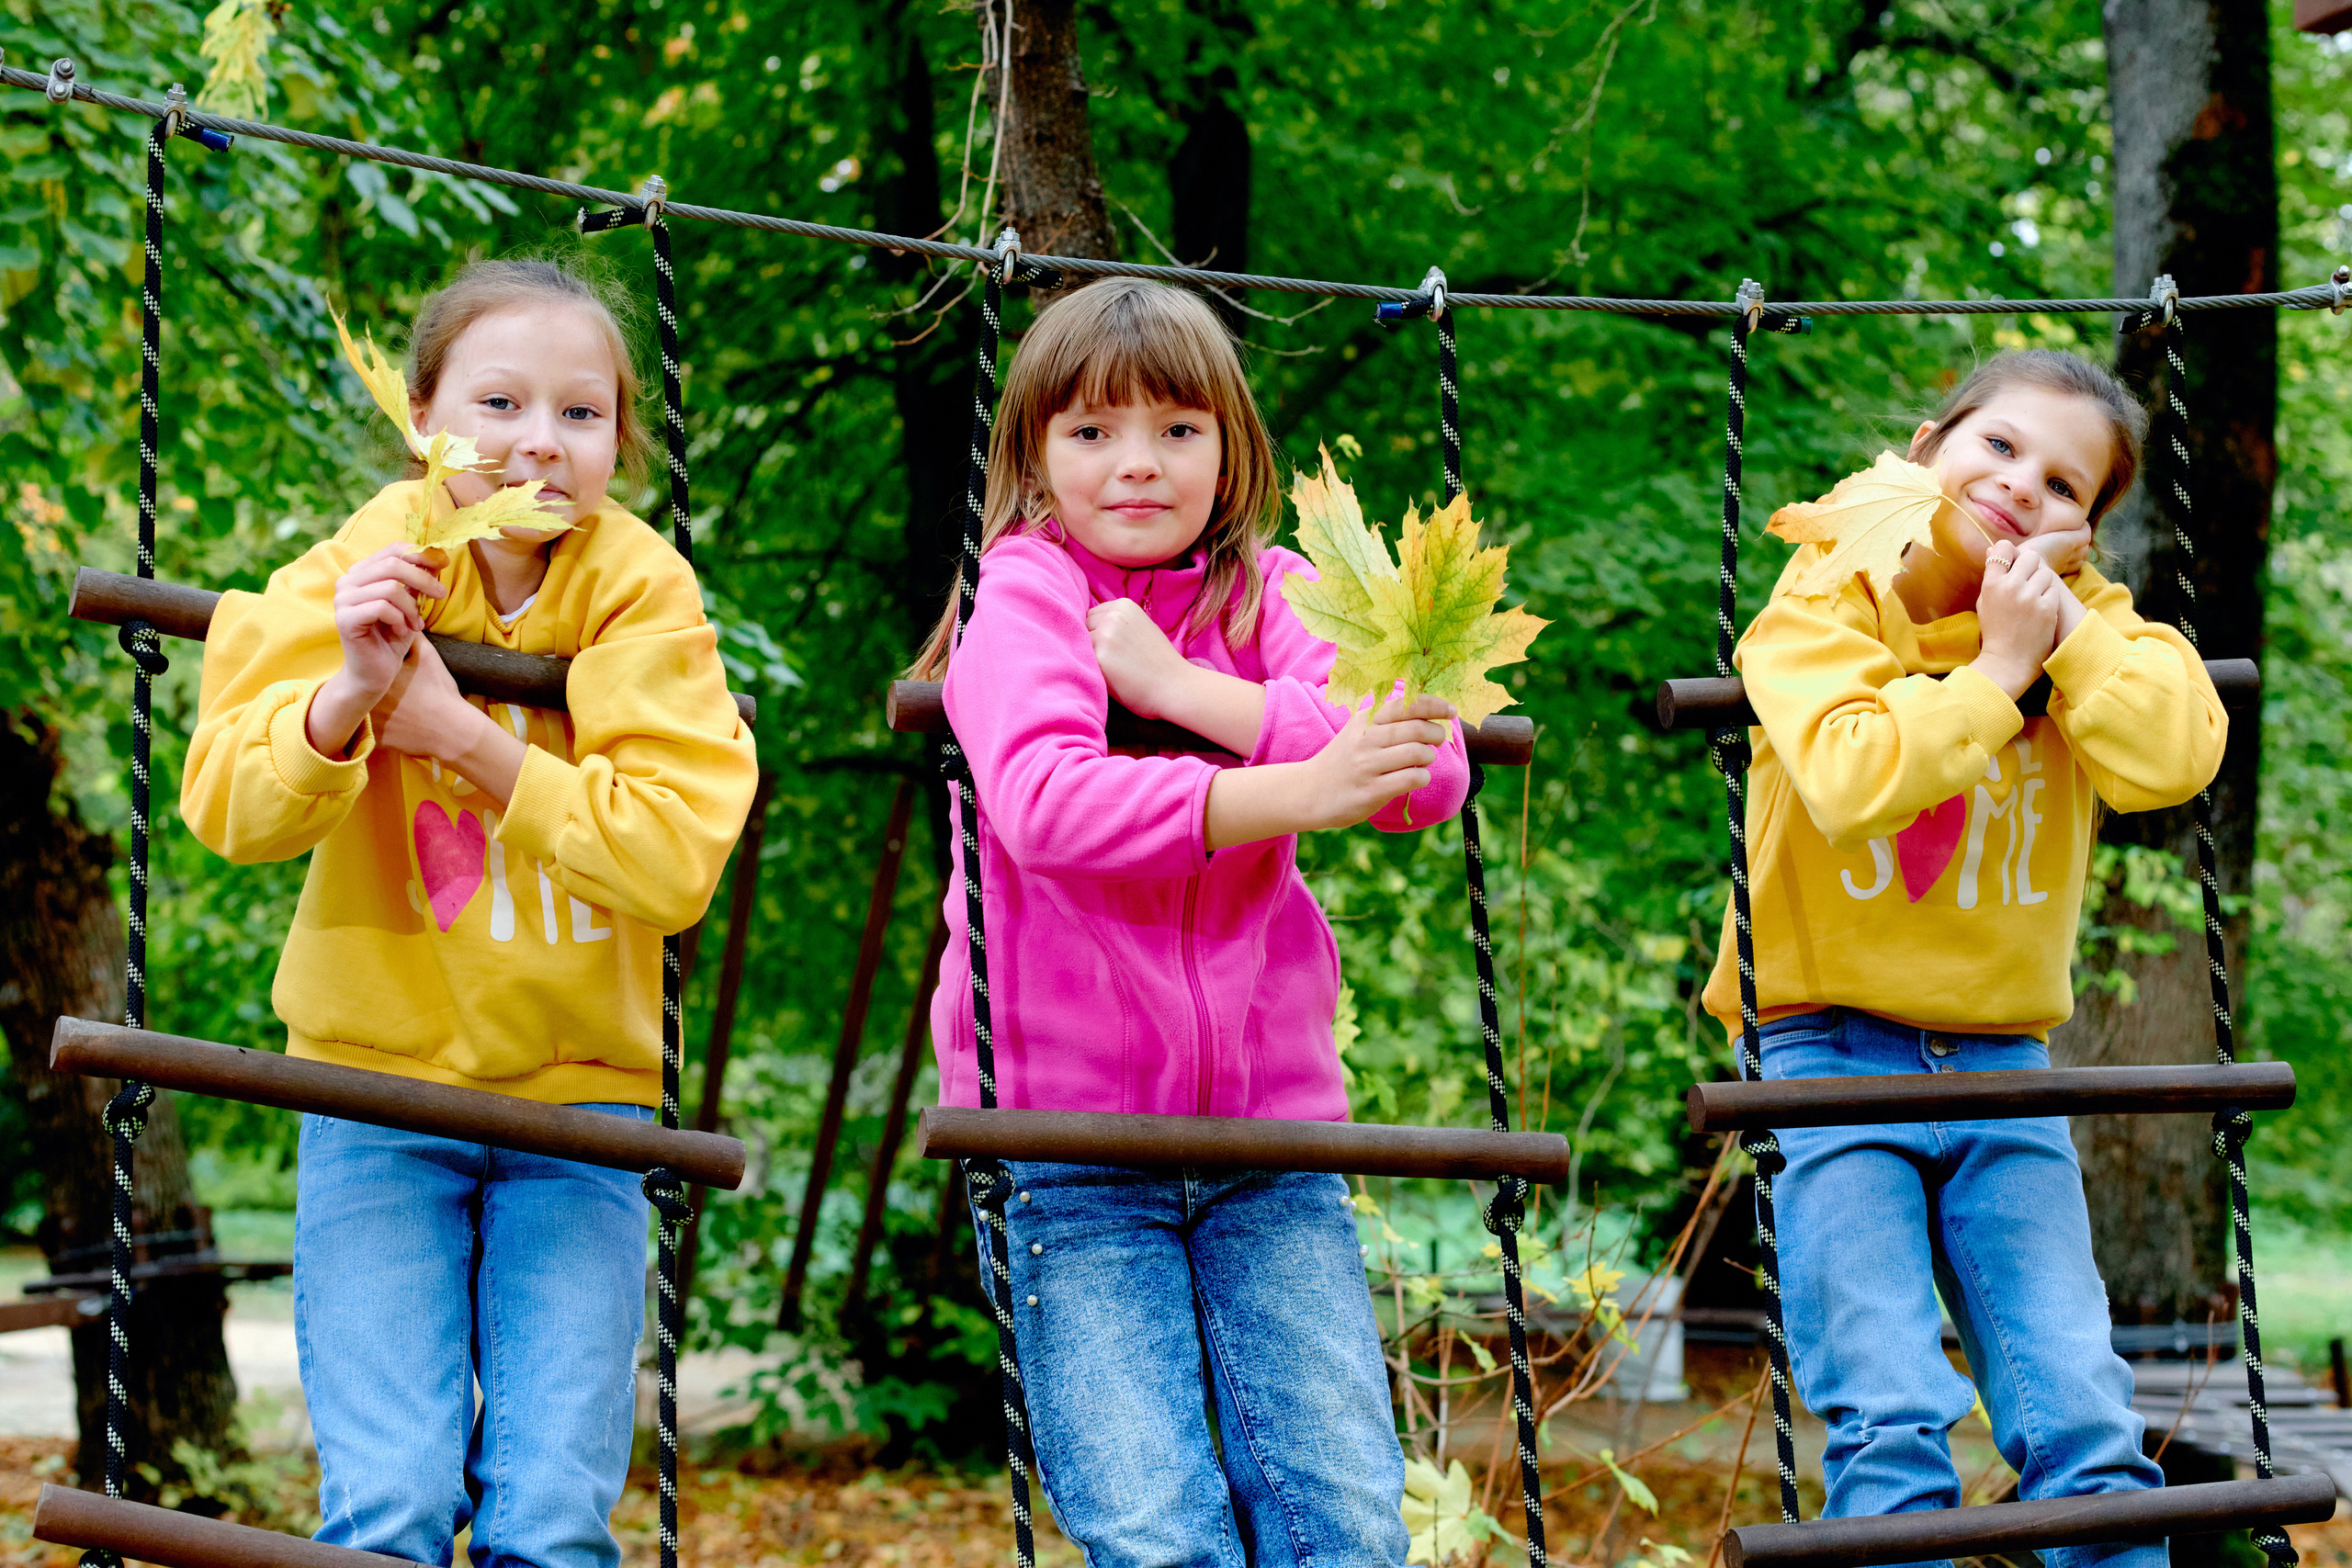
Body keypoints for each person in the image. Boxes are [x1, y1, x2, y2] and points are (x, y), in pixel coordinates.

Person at [182, 258, 757, 1567]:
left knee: (551, 1521)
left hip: (583, 1111)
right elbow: (230, 807)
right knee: (386, 1508)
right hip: (375, 1096)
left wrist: (459, 736)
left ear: (621, 438)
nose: (536, 444)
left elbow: (673, 858)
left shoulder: (639, 590)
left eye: (581, 413)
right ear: (424, 413)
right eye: (498, 403)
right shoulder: (360, 564)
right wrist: (345, 696)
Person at [908, 277, 1464, 1566]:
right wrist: (1299, 788)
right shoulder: (1026, 594)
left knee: (1346, 1517)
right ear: (1035, 455)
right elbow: (1047, 801)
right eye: (1093, 433)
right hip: (1070, 1143)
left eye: (1178, 428)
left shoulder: (1278, 595)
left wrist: (1195, 695)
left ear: (1232, 447)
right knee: (1156, 1528)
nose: (1139, 465)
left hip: (1271, 1137)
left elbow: (1426, 770)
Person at [1702, 349, 2225, 1568]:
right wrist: (1997, 671)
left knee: (2082, 1412)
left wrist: (2063, 635)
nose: (2022, 487)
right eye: (1999, 447)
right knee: (1889, 1414)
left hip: (2006, 1065)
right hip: (1827, 1050)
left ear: (2086, 535)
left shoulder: (2092, 623)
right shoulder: (1828, 588)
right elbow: (1848, 775)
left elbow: (2176, 748)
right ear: (1928, 443)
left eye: (2064, 485)